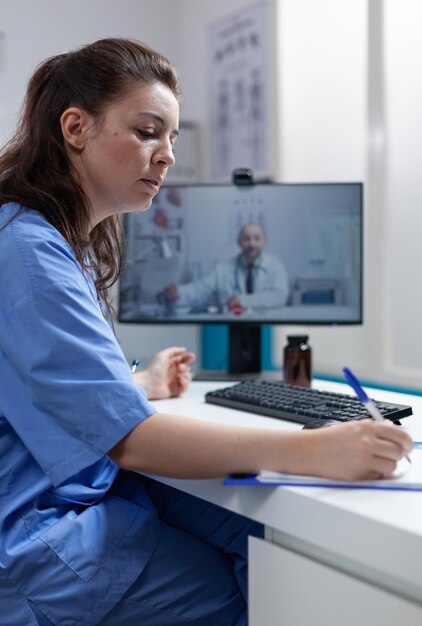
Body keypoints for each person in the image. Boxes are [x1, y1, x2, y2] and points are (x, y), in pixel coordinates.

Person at [0, 38, 412, 626]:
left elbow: (44, 387)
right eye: (147, 132)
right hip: (40, 536)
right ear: (75, 127)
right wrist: (313, 450)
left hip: (67, 491)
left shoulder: (48, 240)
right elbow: (130, 442)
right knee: (261, 590)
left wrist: (136, 384)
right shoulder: (29, 251)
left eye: (172, 138)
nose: (166, 155)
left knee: (253, 533)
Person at [164, 222, 289, 314]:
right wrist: (179, 293)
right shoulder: (223, 269)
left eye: (257, 238)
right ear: (239, 242)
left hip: (266, 326)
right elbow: (200, 289)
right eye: (246, 239)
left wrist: (242, 300)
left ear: (264, 242)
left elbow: (279, 297)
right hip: (232, 326)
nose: (252, 244)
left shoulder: (275, 266)